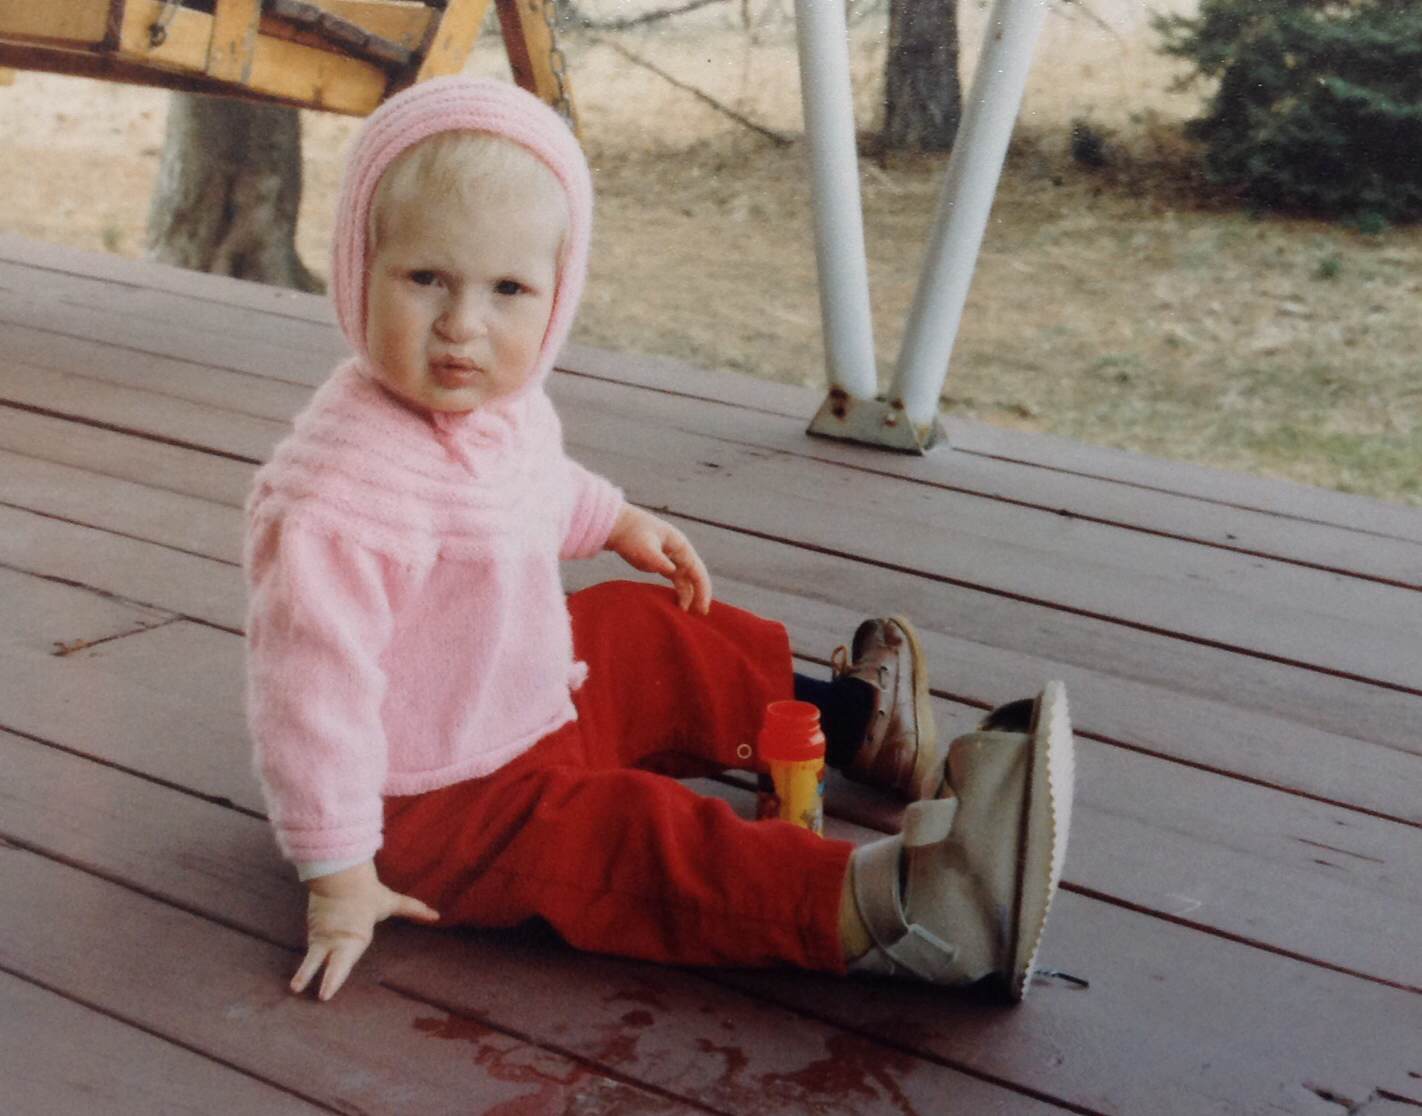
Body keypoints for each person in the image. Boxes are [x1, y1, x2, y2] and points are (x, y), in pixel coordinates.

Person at [243, 76, 1074, 1007]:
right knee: (629, 838)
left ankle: (853, 725)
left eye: (508, 289)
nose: (462, 325)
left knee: (640, 631)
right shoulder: (336, 499)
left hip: (520, 705)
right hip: (433, 809)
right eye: (425, 278)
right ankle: (902, 909)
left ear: (557, 297)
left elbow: (529, 485)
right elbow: (309, 695)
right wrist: (339, 874)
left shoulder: (493, 406)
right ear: (359, 269)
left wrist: (614, 520)